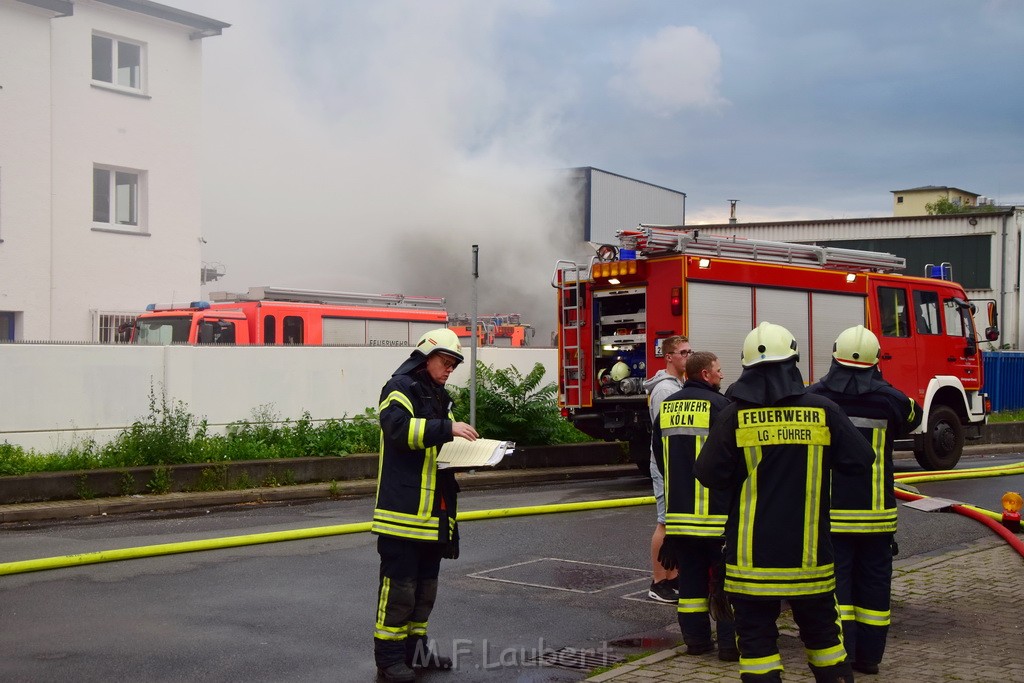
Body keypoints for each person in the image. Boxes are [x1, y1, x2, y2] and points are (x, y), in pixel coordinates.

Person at [694, 322, 875, 683]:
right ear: (793, 362)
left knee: (757, 650)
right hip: (810, 562)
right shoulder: (824, 411)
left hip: (750, 565)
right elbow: (861, 460)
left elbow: (708, 474)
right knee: (825, 643)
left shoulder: (733, 415)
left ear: (746, 368)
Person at [808, 325, 922, 676]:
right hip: (876, 515)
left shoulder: (815, 397)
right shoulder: (891, 400)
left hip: (831, 513)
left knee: (835, 587)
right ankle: (869, 659)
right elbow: (913, 418)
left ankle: (839, 652)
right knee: (874, 587)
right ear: (875, 360)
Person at [371, 328, 479, 682]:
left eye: (453, 365)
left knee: (424, 591)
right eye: (446, 362)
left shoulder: (438, 395)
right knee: (399, 590)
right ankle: (388, 660)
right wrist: (447, 429)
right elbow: (399, 430)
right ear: (425, 357)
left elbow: (437, 446)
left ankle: (416, 654)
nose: (449, 370)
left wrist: (468, 453)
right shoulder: (397, 389)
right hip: (402, 512)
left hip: (434, 513)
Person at [653, 351, 738, 661]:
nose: (721, 375)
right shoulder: (722, 407)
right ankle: (730, 647)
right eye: (717, 370)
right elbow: (733, 460)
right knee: (725, 584)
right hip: (716, 517)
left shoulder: (667, 408)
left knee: (690, 587)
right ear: (705, 374)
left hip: (679, 518)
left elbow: (660, 458)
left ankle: (697, 643)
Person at [642, 334, 690, 602]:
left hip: (674, 462)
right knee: (664, 521)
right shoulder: (665, 390)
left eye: (690, 351)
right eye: (683, 352)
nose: (688, 356)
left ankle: (672, 577)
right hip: (665, 463)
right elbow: (668, 432)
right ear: (668, 357)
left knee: (673, 522)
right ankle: (659, 581)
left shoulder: (676, 385)